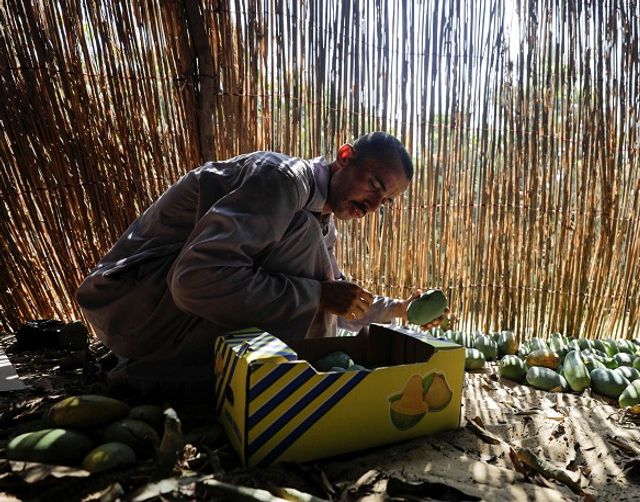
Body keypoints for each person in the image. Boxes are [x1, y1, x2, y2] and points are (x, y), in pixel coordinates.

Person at [76, 131, 443, 401]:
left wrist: (400, 309)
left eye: (387, 200)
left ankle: (198, 378)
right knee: (304, 246)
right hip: (129, 308)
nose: (374, 204)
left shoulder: (321, 221)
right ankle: (157, 379)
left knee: (316, 273)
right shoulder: (283, 180)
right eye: (375, 184)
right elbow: (194, 281)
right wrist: (317, 294)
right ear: (345, 156)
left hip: (159, 316)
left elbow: (340, 297)